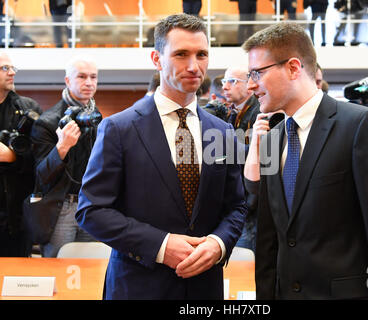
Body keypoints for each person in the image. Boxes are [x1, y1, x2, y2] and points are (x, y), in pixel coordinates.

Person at [242, 22, 368, 299]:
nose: (250, 84)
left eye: (257, 73)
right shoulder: (272, 138)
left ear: (293, 67)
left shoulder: (361, 125)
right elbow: (269, 239)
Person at [76, 13, 246, 300]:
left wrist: (218, 243)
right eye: (181, 54)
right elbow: (91, 211)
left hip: (204, 287)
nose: (194, 66)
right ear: (156, 59)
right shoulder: (119, 128)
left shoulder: (223, 131)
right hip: (139, 286)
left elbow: (237, 206)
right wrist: (161, 245)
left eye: (201, 54)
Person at [30, 55, 101, 258]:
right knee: (56, 269)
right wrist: (62, 147)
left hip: (92, 205)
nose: (89, 82)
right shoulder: (48, 121)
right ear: (68, 81)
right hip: (61, 207)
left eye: (93, 77)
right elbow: (41, 176)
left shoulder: (96, 117)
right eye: (81, 77)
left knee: (93, 268)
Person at [0, 52, 42, 257]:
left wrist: (14, 157)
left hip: (15, 216)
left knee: (15, 278)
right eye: (4, 68)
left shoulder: (29, 109)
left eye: (12, 68)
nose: (11, 73)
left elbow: (41, 159)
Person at [222, 66, 260, 252]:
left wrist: (223, 149)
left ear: (249, 84)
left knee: (247, 261)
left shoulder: (260, 111)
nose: (225, 87)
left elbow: (262, 155)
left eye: (232, 81)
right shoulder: (232, 113)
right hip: (236, 203)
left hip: (251, 207)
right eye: (224, 81)